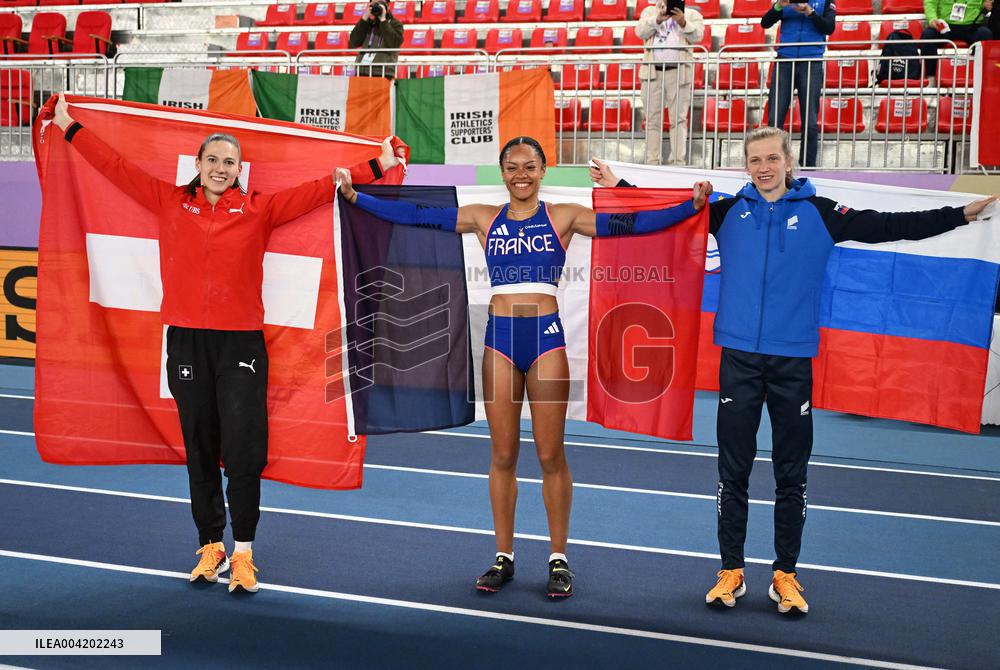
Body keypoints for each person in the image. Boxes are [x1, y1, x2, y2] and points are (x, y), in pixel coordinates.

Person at [591, 127, 997, 614]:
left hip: (792, 363)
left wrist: (961, 212)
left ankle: (786, 574)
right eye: (754, 159)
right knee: (732, 472)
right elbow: (665, 216)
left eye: (771, 158)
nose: (763, 167)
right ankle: (731, 571)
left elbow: (889, 225)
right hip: (739, 359)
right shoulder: (726, 212)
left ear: (789, 161)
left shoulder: (821, 213)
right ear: (745, 166)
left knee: (792, 474)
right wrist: (618, 186)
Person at [49, 94, 405, 594]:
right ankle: (210, 545)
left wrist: (378, 162)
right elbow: (113, 166)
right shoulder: (168, 199)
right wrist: (67, 125)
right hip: (186, 344)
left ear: (241, 170)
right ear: (197, 165)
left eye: (229, 162)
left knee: (242, 451)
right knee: (198, 446)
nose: (220, 168)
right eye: (212, 159)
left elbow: (323, 188)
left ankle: (243, 554)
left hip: (240, 344)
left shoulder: (258, 209)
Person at [335, 137, 701, 598]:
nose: (521, 174)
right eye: (512, 167)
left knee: (550, 456)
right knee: (503, 456)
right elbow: (413, 215)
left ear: (543, 170)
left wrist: (688, 207)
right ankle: (503, 556)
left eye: (529, 166)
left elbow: (628, 223)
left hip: (546, 341)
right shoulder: (482, 217)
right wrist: (357, 198)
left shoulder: (564, 216)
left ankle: (558, 558)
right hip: (500, 343)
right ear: (502, 171)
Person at [761, 0, 836, 168]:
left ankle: (808, 167)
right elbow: (765, 23)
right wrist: (779, 6)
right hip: (785, 61)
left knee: (810, 120)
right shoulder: (786, 1)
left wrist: (810, 12)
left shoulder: (825, 1)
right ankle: (773, 164)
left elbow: (829, 27)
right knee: (774, 119)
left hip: (811, 61)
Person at [635, 0, 705, 166]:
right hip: (652, 72)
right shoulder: (649, 12)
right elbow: (640, 32)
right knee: (652, 120)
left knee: (679, 119)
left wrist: (682, 22)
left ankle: (677, 162)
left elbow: (698, 36)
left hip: (679, 72)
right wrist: (658, 19)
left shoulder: (692, 14)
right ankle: (652, 161)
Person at [920, 0, 992, 78]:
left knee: (985, 34)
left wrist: (990, 3)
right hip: (945, 25)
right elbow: (930, 2)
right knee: (928, 36)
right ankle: (931, 77)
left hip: (972, 25)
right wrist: (932, 18)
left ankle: (977, 76)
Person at [349, 0, 404, 79]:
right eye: (375, 4)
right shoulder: (367, 23)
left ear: (388, 5)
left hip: (384, 73)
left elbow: (394, 43)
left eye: (380, 3)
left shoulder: (395, 24)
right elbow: (354, 41)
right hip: (362, 72)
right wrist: (365, 17)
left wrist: (383, 20)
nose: (377, 7)